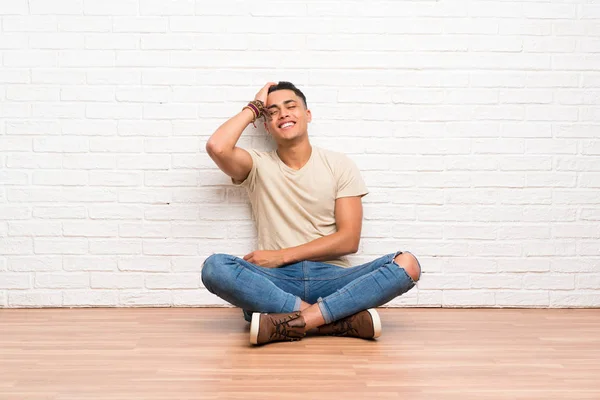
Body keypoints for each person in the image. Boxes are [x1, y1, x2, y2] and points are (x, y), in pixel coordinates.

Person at [202, 81, 422, 345]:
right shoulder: (256, 165)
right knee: (214, 268)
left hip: (332, 277)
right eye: (272, 112)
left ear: (307, 115)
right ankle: (336, 319)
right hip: (276, 281)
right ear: (265, 124)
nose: (282, 114)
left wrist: (281, 256)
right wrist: (254, 107)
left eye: (291, 106)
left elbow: (349, 240)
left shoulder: (339, 164)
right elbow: (218, 147)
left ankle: (289, 321)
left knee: (407, 264)